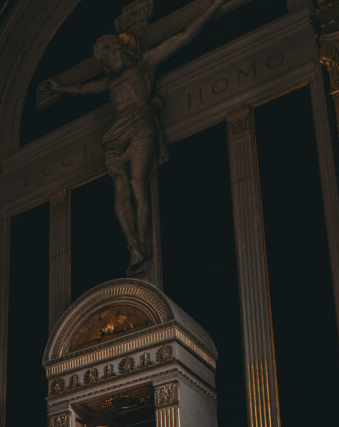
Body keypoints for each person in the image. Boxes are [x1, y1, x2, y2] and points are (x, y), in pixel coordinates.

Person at [40, 0, 225, 272]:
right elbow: (82, 89)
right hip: (116, 135)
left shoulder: (145, 65)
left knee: (138, 184)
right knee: (120, 187)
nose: (105, 63)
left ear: (119, 49)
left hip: (141, 123)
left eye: (107, 56)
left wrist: (214, 6)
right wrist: (61, 88)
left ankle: (143, 246)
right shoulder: (110, 82)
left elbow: (183, 37)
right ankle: (133, 245)